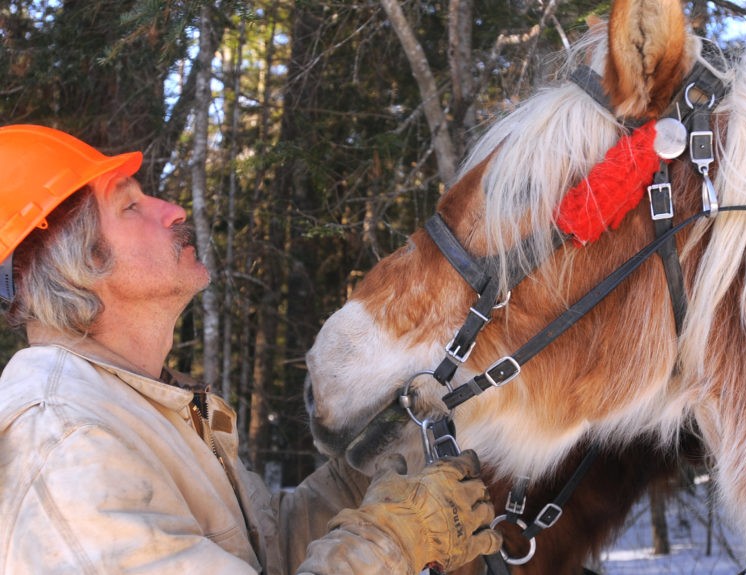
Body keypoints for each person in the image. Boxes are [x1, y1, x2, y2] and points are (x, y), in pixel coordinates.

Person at [0, 124, 502, 574]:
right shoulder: (66, 444)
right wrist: (396, 538)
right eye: (129, 205)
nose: (173, 210)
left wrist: (374, 470)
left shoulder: (137, 405)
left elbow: (267, 552)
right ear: (72, 261)